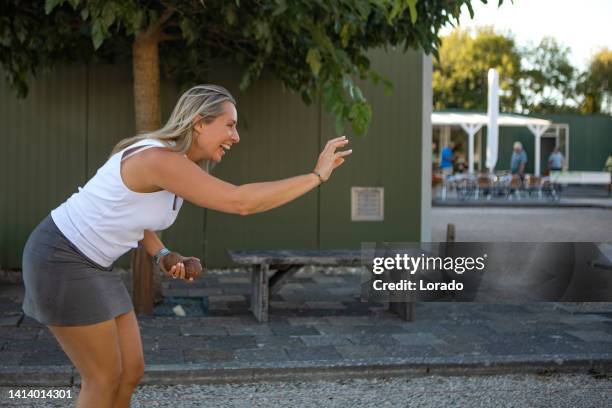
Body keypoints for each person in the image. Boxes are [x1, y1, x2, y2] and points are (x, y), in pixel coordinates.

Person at [20, 84, 352, 407]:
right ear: (199, 123)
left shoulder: (177, 163)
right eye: (230, 125)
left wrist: (163, 254)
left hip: (94, 266)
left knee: (131, 371)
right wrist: (316, 177)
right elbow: (240, 202)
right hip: (61, 260)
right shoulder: (158, 159)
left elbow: (134, 216)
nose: (236, 137)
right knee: (104, 377)